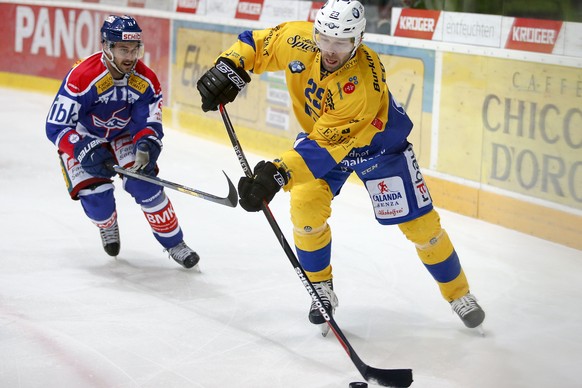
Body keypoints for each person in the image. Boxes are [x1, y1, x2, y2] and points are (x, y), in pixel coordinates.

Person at [196, 0, 485, 330]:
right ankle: (321, 288)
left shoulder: (361, 86)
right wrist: (229, 66)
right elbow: (256, 42)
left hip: (378, 148)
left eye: (341, 42)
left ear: (358, 40)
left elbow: (325, 149)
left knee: (423, 229)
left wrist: (275, 174)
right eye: (325, 39)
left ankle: (458, 293)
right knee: (305, 208)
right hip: (324, 136)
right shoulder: (300, 39)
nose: (330, 50)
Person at [46, 15, 199, 269]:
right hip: (86, 136)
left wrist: (146, 145)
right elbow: (56, 125)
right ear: (106, 46)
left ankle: (175, 244)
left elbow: (147, 122)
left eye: (134, 49)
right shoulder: (81, 76)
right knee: (98, 202)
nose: (130, 56)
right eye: (122, 49)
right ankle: (107, 223)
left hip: (123, 135)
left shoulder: (145, 79)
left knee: (146, 185)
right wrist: (81, 148)